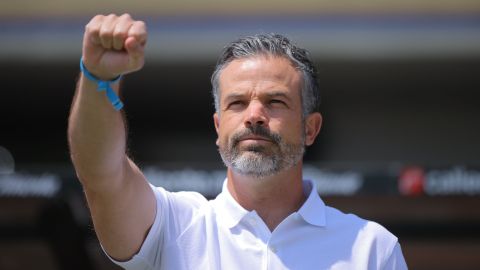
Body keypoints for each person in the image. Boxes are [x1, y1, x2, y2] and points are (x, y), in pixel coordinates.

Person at [68, 13, 408, 270]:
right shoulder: (173, 225)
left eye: (275, 102)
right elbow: (102, 173)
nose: (254, 115)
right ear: (218, 127)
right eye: (237, 103)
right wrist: (99, 78)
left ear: (311, 129)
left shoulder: (371, 249)